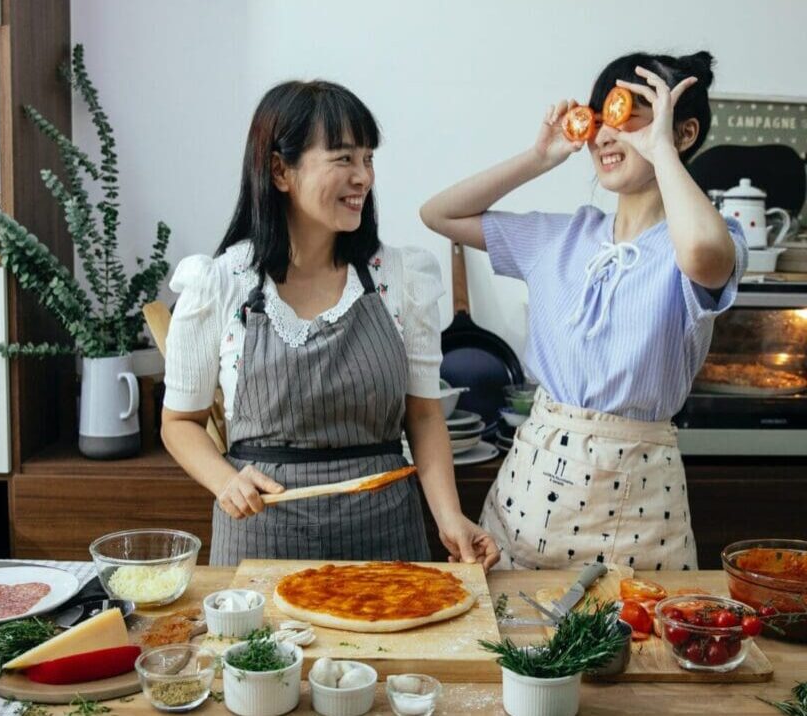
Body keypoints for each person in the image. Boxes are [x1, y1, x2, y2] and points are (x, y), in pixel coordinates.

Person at [419, 52, 747, 571]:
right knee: (512, 642)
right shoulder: (560, 236)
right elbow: (438, 213)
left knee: (638, 648)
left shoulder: (707, 237)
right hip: (529, 496)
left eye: (628, 115)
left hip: (642, 509)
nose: (605, 133)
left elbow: (703, 258)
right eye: (600, 117)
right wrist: (539, 158)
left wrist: (661, 151)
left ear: (682, 133)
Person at [161, 80, 499, 569]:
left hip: (383, 538)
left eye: (368, 159)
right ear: (280, 171)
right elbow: (179, 423)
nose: (363, 176)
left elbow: (424, 417)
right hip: (261, 540)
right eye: (343, 159)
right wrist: (224, 480)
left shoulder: (401, 278)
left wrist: (450, 518)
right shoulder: (220, 283)